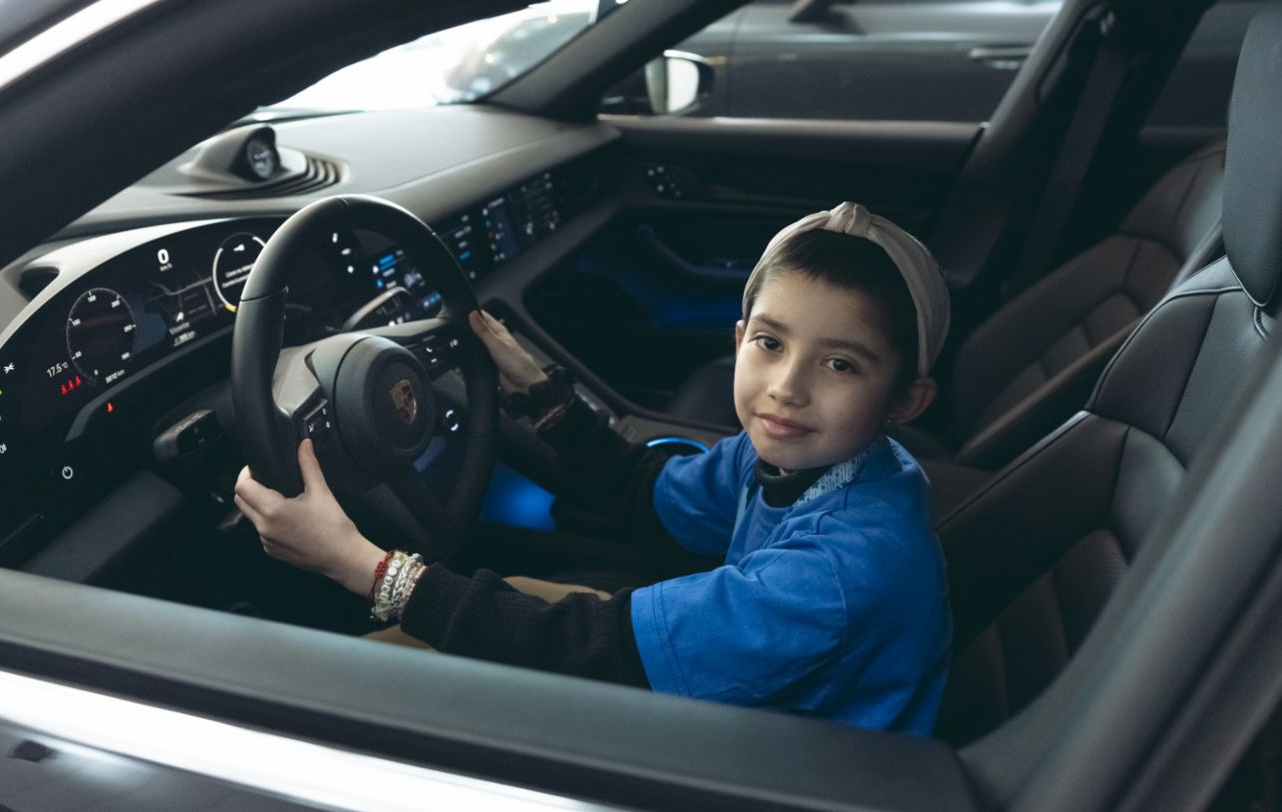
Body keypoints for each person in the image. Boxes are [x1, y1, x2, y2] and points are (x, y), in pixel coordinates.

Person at [234, 201, 953, 736]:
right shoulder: (808, 458)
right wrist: (545, 394)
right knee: (503, 598)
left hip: (790, 770)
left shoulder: (842, 569)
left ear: (904, 399)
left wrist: (355, 563)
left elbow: (593, 651)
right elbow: (654, 499)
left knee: (394, 698)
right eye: (770, 343)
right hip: (764, 710)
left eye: (840, 363)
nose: (787, 387)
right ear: (739, 339)